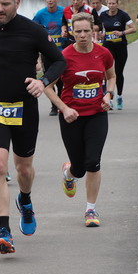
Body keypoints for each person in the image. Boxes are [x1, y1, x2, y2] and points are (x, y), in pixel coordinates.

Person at [0, 0, 66, 254]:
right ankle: (4, 229)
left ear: (17, 4)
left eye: (5, 4)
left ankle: (25, 199)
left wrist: (42, 81)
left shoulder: (32, 31)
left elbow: (59, 60)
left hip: (24, 109)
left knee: (23, 169)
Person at [44, 13, 115, 227]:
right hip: (71, 118)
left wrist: (108, 94)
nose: (82, 35)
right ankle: (69, 173)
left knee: (93, 162)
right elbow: (47, 86)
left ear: (93, 30)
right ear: (72, 32)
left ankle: (90, 210)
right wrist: (64, 109)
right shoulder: (63, 57)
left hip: (97, 114)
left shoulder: (103, 53)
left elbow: (111, 76)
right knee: (79, 168)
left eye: (86, 31)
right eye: (78, 31)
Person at [33, 0, 66, 116]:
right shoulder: (40, 14)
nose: (50, 0)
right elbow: (33, 29)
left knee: (62, 82)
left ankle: (61, 104)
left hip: (62, 52)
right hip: (47, 53)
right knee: (49, 79)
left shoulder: (63, 11)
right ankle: (53, 106)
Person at [100, 0, 136, 110]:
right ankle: (108, 98)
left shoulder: (123, 15)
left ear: (117, 3)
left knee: (119, 73)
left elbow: (133, 28)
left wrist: (122, 33)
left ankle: (119, 96)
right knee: (106, 73)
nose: (111, 6)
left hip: (120, 47)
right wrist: (101, 35)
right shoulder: (103, 16)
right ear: (107, 3)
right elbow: (99, 29)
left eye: (113, 3)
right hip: (107, 47)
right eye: (109, 3)